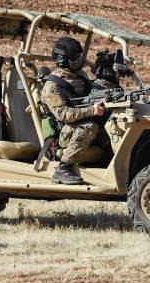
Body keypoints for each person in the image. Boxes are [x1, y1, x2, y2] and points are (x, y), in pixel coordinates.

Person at [41, 37, 105, 185]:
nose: (79, 61)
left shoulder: (81, 78)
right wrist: (91, 110)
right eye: (74, 58)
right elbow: (64, 114)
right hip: (63, 133)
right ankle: (63, 168)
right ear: (62, 60)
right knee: (90, 126)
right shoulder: (52, 86)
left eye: (79, 57)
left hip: (78, 126)